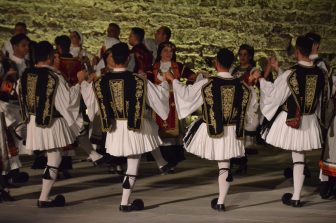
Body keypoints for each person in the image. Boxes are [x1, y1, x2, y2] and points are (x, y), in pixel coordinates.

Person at [80, 42, 170, 212]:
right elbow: (159, 97)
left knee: (138, 151)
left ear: (112, 59)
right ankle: (125, 202)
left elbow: (90, 104)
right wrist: (164, 83)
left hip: (115, 129)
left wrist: (84, 83)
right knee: (133, 162)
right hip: (135, 126)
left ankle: (127, 199)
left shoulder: (99, 82)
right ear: (129, 59)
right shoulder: (139, 80)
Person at [167, 48, 252, 211]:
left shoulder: (208, 83)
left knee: (223, 165)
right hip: (234, 129)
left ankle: (221, 201)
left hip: (214, 128)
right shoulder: (241, 85)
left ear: (216, 63)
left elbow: (186, 95)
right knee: (225, 165)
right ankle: (220, 201)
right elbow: (250, 106)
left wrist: (173, 79)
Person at [254, 36, 328, 207]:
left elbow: (275, 94)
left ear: (297, 52)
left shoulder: (292, 73)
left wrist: (261, 80)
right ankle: (295, 196)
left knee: (298, 158)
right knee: (299, 157)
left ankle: (296, 197)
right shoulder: (320, 73)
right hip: (310, 120)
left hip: (294, 120)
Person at [18, 41, 82, 207]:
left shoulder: (25, 74)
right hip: (51, 122)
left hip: (33, 121)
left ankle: (44, 197)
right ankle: (44, 198)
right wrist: (79, 83)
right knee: (55, 157)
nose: (56, 58)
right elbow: (67, 102)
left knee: (53, 156)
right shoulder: (55, 77)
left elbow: (20, 94)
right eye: (54, 55)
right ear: (48, 57)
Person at [151, 41, 196, 171]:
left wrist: (185, 89)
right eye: (165, 50)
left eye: (171, 51)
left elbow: (192, 76)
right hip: (159, 101)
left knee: (173, 132)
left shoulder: (178, 66)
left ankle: (172, 161)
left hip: (173, 101)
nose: (169, 54)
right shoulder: (153, 67)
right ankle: (163, 160)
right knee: (159, 129)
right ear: (160, 52)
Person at [230, 44, 260, 173]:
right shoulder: (234, 70)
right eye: (240, 54)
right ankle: (232, 160)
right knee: (232, 131)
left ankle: (242, 162)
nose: (242, 57)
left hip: (247, 103)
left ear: (250, 56)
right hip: (234, 102)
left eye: (245, 55)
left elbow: (255, 83)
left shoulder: (253, 70)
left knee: (242, 132)